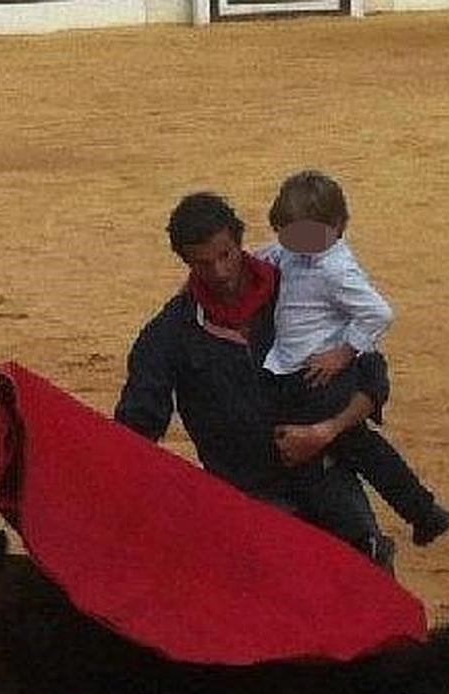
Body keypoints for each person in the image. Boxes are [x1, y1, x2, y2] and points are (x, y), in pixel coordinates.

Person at [114, 190, 392, 567]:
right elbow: (136, 428)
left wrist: (325, 431)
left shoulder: (302, 291)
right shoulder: (170, 335)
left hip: (329, 478)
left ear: (240, 242)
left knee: (368, 588)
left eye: (225, 255)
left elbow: (373, 378)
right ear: (185, 262)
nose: (220, 273)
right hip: (248, 504)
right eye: (203, 264)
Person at [257, 169, 449, 546]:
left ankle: (416, 514)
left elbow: (379, 313)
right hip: (303, 373)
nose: (294, 243)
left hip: (316, 379)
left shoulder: (335, 268)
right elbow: (262, 256)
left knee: (333, 448)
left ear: (338, 227)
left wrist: (343, 352)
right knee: (358, 445)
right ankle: (422, 512)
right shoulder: (291, 251)